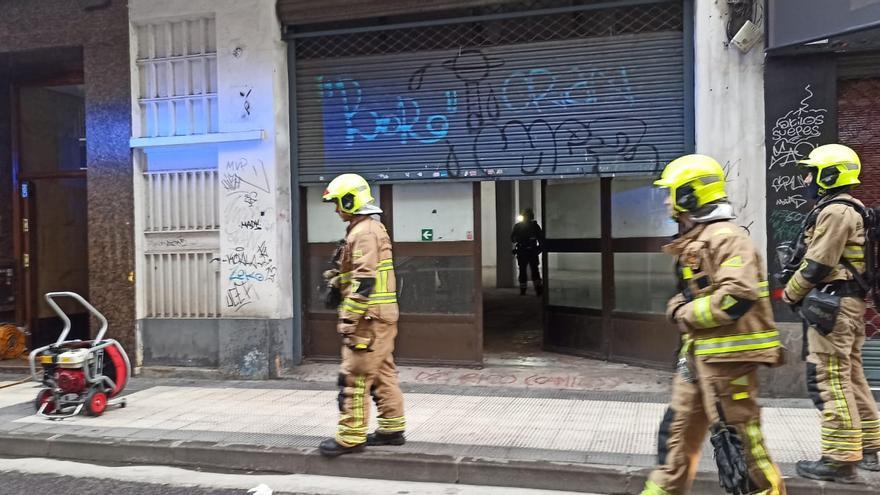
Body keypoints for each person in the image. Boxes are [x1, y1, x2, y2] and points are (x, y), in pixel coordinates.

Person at [641, 154, 786, 495]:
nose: (666, 201)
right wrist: (681, 305)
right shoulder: (699, 238)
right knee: (674, 443)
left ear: (691, 195)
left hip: (727, 362)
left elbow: (737, 296)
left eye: (671, 192)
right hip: (697, 359)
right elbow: (699, 294)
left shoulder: (727, 238)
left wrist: (685, 313)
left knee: (742, 449)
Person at [781, 144, 880, 482]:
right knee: (851, 377)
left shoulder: (836, 211)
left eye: (811, 172)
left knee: (831, 379)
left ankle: (839, 458)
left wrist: (790, 293)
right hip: (847, 306)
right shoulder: (852, 209)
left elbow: (818, 264)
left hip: (834, 307)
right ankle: (868, 447)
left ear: (830, 174)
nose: (807, 178)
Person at [319, 173, 406, 457]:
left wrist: (348, 319)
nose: (335, 209)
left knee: (354, 375)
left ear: (350, 200)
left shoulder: (365, 231)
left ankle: (351, 436)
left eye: (337, 203)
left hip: (368, 319)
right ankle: (392, 428)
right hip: (379, 317)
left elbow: (365, 279)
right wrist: (338, 277)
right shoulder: (366, 228)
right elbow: (359, 272)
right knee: (381, 372)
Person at [510, 208, 544, 296]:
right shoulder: (518, 226)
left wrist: (538, 249)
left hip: (531, 251)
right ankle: (524, 289)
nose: (526, 218)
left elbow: (541, 240)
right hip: (523, 251)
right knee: (524, 271)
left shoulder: (534, 226)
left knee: (534, 271)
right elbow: (512, 239)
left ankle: (537, 289)